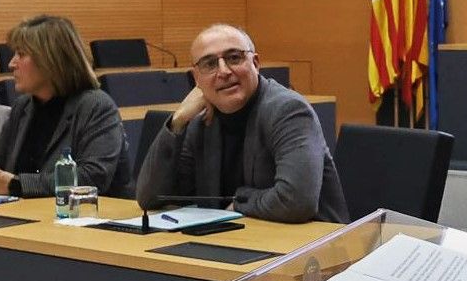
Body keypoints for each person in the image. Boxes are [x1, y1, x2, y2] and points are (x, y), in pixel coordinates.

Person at [135, 24, 347, 223]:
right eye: (209, 64)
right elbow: (150, 199)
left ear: (255, 63)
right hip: (238, 244)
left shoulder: (288, 110)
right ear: (196, 78)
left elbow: (297, 201)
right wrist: (178, 120)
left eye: (234, 58)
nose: (224, 71)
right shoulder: (200, 120)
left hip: (312, 251)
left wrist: (239, 202)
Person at [0, 14, 131, 198]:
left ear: (51, 60)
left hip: (89, 219)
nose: (11, 63)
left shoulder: (95, 106)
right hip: (30, 214)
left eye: (21, 54)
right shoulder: (23, 106)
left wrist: (15, 185)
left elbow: (92, 177)